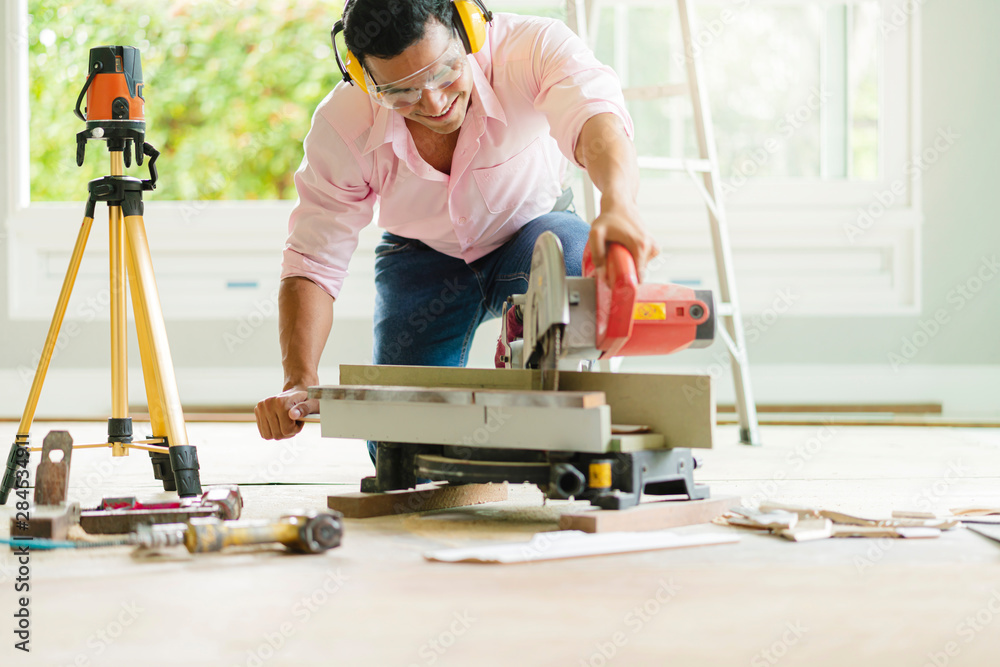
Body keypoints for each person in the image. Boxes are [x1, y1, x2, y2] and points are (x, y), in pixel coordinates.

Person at [254, 0, 657, 448]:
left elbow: (596, 119)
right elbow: (313, 261)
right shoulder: (341, 123)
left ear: (468, 29)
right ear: (364, 76)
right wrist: (298, 379)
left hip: (534, 232)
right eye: (400, 92)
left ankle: (548, 409)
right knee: (398, 445)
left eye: (444, 72)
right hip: (421, 257)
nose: (434, 102)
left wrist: (618, 204)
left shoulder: (534, 48)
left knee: (576, 273)